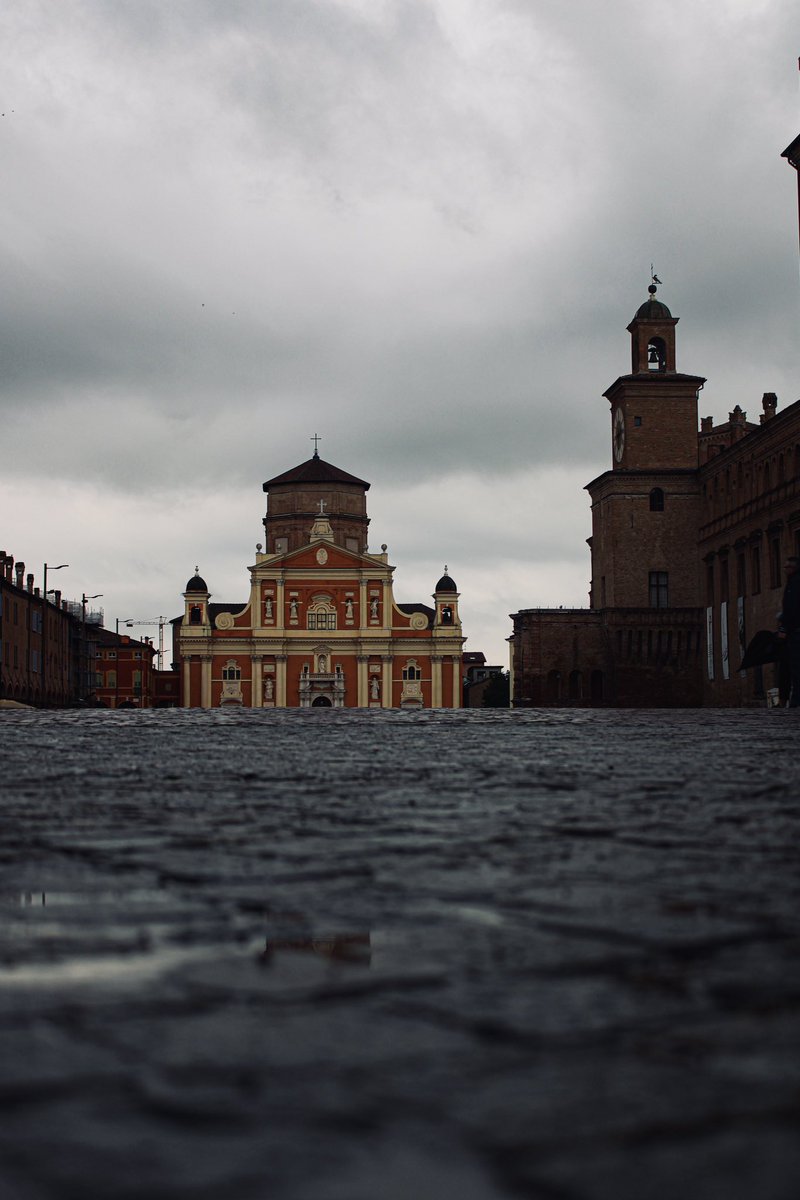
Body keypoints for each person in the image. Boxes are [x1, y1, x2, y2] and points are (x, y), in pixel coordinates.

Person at [777, 556, 800, 707]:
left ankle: (795, 700)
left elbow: (791, 607)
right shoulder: (792, 582)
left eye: (787, 567)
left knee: (795, 666)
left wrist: (784, 627)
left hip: (795, 631)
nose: (785, 570)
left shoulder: (795, 583)